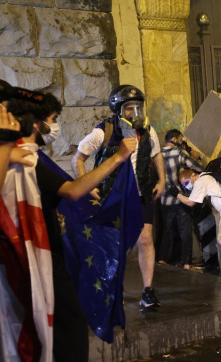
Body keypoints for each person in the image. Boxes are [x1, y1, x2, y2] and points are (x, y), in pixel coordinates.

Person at [0, 84, 138, 362]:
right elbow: (73, 190)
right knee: (68, 332)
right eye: (52, 120)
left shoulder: (22, 155)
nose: (55, 127)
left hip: (43, 258)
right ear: (34, 124)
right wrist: (119, 157)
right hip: (38, 261)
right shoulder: (25, 158)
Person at [71, 85, 166, 309]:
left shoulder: (148, 131)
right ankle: (113, 288)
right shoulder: (103, 132)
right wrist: (87, 185)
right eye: (129, 108)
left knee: (145, 239)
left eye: (138, 107)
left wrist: (162, 180)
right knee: (114, 243)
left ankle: (148, 290)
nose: (135, 112)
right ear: (118, 110)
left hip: (142, 193)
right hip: (113, 197)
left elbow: (156, 155)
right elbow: (78, 159)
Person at [159, 129, 204, 269]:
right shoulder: (179, 153)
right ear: (174, 138)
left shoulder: (157, 154)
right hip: (180, 198)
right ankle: (186, 263)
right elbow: (197, 167)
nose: (181, 142)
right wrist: (195, 157)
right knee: (185, 232)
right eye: (180, 139)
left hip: (163, 199)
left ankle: (162, 259)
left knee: (167, 231)